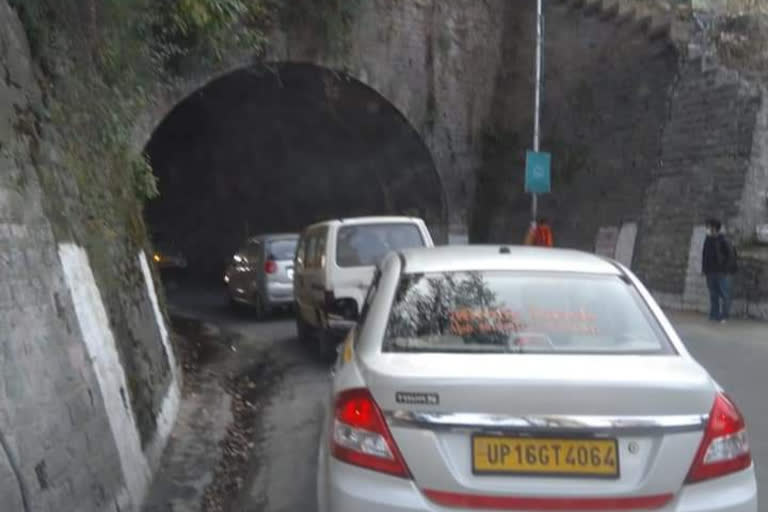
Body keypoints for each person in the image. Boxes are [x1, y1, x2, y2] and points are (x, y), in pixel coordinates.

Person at [702, 218, 737, 323]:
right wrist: (704, 269)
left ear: (714, 228)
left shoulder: (724, 240)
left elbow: (731, 256)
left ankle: (724, 316)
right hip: (710, 272)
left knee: (725, 295)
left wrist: (726, 270)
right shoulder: (708, 240)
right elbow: (705, 255)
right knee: (713, 295)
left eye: (709, 227)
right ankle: (714, 315)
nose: (707, 229)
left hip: (722, 272)